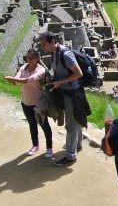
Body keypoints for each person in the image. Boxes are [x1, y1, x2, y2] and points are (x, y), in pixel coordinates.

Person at [38, 32, 89, 167]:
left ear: (53, 41)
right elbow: (60, 72)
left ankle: (70, 156)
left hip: (73, 94)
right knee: (75, 119)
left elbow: (78, 73)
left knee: (70, 125)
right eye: (41, 44)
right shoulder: (55, 53)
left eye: (44, 44)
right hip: (66, 92)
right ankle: (77, 145)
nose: (42, 47)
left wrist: (60, 83)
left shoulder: (65, 54)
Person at [5, 49, 53, 157]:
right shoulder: (24, 67)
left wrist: (14, 79)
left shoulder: (40, 71)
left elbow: (28, 80)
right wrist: (13, 81)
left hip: (38, 104)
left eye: (32, 58)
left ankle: (49, 148)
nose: (29, 60)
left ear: (37, 59)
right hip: (26, 102)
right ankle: (35, 145)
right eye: (28, 57)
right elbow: (18, 78)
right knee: (32, 125)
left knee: (44, 125)